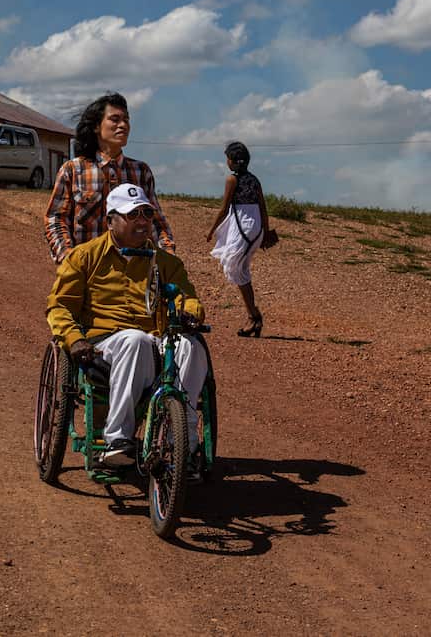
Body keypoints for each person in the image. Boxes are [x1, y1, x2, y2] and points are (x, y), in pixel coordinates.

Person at [47, 183, 208, 472]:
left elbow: (187, 297)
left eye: (147, 213)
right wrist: (73, 339)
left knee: (191, 347)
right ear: (111, 221)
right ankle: (118, 439)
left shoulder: (166, 263)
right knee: (135, 340)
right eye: (132, 215)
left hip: (155, 341)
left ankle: (182, 441)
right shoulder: (84, 257)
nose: (142, 221)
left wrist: (189, 312)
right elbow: (60, 307)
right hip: (103, 345)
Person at [45, 92, 174, 263]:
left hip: (134, 270)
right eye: (115, 119)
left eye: (126, 120)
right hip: (87, 269)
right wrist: (69, 258)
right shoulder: (73, 170)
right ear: (96, 127)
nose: (123, 125)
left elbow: (156, 221)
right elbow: (56, 219)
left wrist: (168, 257)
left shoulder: (141, 172)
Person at [205, 141, 275, 338]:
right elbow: (263, 207)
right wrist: (265, 231)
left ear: (234, 161)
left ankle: (254, 317)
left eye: (228, 158)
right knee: (240, 269)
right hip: (255, 228)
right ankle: (253, 317)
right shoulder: (254, 180)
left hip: (243, 227)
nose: (226, 162)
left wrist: (211, 231)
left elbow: (224, 208)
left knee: (236, 268)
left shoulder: (232, 180)